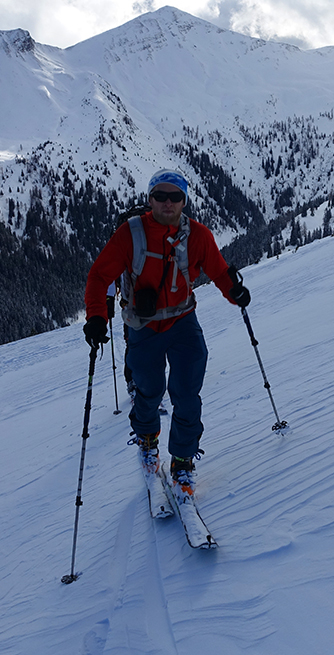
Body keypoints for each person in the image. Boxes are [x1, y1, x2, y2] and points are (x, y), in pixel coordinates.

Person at [83, 168, 250, 500]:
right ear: (150, 200)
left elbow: (218, 269)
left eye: (175, 197)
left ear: (184, 200)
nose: (168, 203)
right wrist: (97, 318)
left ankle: (183, 462)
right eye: (160, 196)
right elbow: (99, 277)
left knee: (187, 393)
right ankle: (147, 438)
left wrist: (236, 294)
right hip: (142, 326)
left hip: (183, 321)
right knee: (149, 390)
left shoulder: (199, 235)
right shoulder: (130, 234)